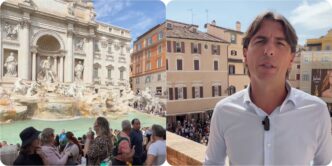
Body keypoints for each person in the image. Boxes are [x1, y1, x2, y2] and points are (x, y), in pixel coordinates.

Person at [204, 11, 332, 165]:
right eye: (260, 41)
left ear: (291, 57)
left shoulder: (317, 111)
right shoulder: (223, 111)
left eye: (279, 43)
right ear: (245, 54)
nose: (269, 50)